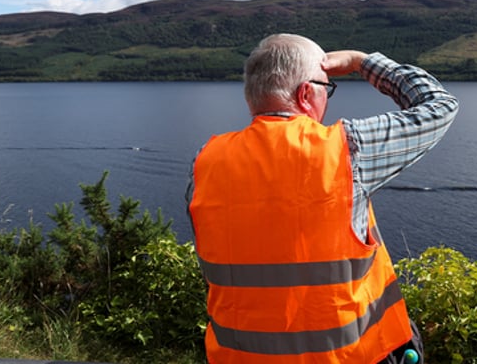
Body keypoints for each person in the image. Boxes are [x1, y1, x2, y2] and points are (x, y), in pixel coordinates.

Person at [187, 33, 458, 363]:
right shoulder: (345, 149)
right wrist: (363, 62)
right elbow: (440, 106)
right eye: (326, 88)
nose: (328, 99)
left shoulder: (206, 161)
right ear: (305, 94)